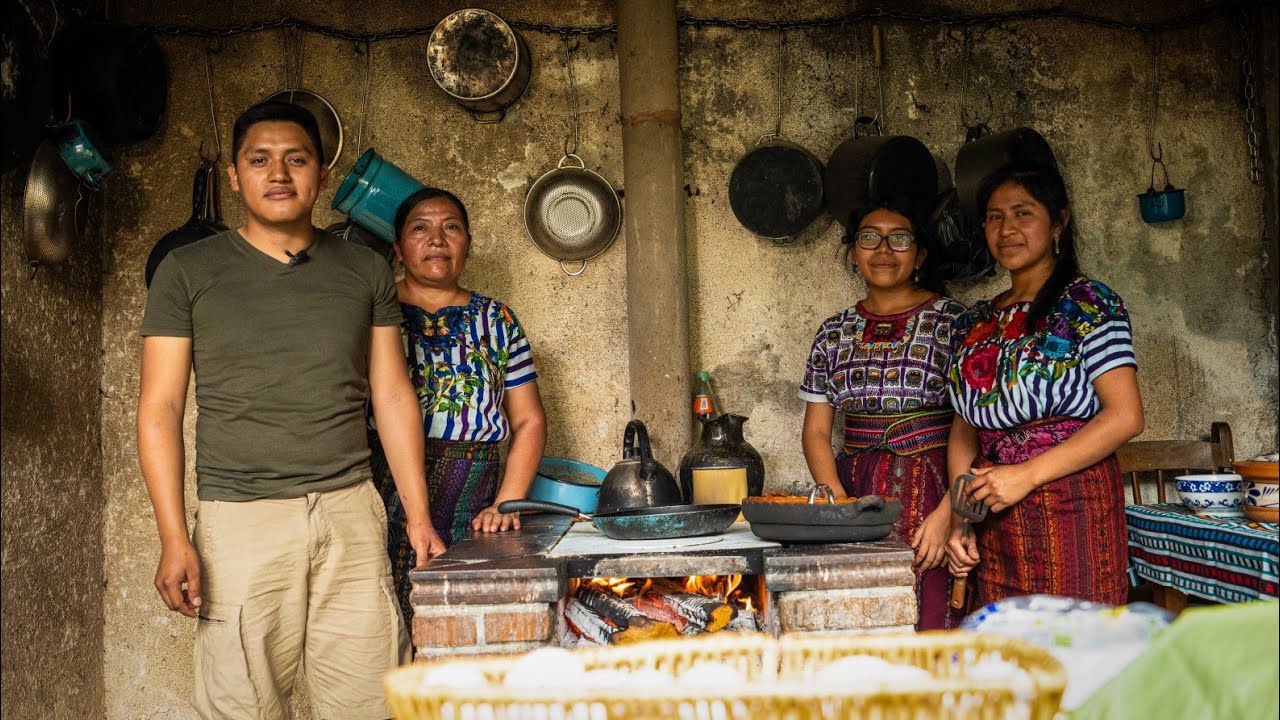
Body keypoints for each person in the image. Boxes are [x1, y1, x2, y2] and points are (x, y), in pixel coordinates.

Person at [137, 100, 444, 720]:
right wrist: (172, 537)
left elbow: (391, 394)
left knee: (373, 702)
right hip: (240, 521)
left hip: (350, 512)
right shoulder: (187, 271)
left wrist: (417, 516)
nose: (278, 173)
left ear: (321, 175)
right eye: (260, 160)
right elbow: (161, 408)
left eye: (296, 159)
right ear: (234, 176)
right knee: (242, 707)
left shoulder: (364, 270)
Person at [944, 161, 1145, 610]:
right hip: (994, 515)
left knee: (1076, 640)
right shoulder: (974, 323)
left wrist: (1026, 475)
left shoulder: (1087, 303)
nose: (1007, 229)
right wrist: (962, 518)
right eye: (994, 217)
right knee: (1007, 643)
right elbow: (965, 429)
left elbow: (1126, 416)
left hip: (1073, 508)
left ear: (1058, 222)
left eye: (1023, 213)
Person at [370, 186, 547, 624]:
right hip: (381, 487)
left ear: (467, 244)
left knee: (459, 619)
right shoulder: (373, 314)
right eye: (420, 229)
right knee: (384, 618)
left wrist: (505, 503)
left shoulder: (498, 320)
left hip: (473, 493)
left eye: (451, 228)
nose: (437, 239)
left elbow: (528, 420)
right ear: (397, 248)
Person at [800, 197, 968, 630]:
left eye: (900, 239)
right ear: (854, 253)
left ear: (920, 255)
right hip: (856, 491)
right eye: (870, 238)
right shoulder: (833, 332)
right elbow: (816, 432)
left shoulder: (956, 323)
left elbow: (973, 425)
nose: (884, 250)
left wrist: (950, 513)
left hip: (935, 488)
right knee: (862, 615)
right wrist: (840, 508)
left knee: (932, 613)